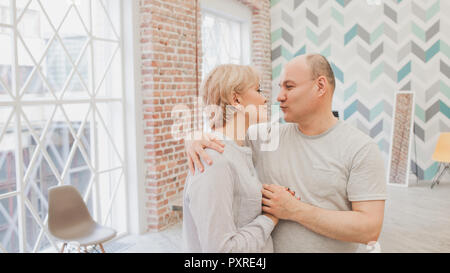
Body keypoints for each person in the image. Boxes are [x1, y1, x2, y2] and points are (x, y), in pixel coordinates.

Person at [185, 54, 388, 253]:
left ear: (320, 86)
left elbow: (369, 229)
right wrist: (195, 138)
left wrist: (295, 210)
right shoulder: (265, 137)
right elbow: (224, 143)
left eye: (289, 87)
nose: (278, 97)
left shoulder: (360, 149)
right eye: (278, 87)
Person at [182, 64, 279, 253]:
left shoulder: (241, 148)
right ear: (236, 99)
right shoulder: (214, 160)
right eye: (258, 90)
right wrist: (270, 217)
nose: (265, 98)